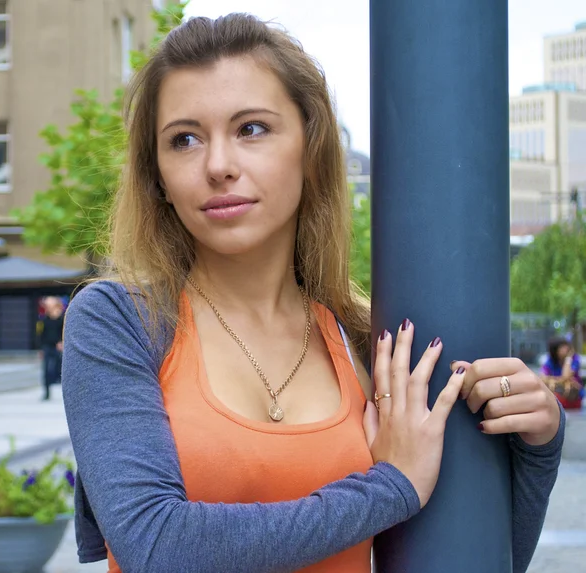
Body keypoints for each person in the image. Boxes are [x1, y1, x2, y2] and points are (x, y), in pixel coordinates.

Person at [62, 14, 564, 573]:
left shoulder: (367, 340)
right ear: (157, 175)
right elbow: (155, 545)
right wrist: (388, 487)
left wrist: (540, 447)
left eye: (251, 128)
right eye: (184, 139)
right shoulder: (120, 321)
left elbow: (480, 561)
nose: (219, 166)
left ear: (310, 145)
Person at [541, 336, 583, 410]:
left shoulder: (574, 359)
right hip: (557, 395)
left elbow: (566, 376)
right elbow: (542, 377)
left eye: (567, 346)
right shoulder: (550, 361)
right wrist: (560, 380)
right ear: (555, 350)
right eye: (562, 347)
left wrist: (568, 359)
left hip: (573, 396)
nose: (566, 349)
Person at [38, 296, 64, 401]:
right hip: (47, 346)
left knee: (60, 367)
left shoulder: (61, 318)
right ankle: (47, 392)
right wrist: (40, 349)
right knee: (46, 369)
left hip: (58, 347)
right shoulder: (44, 319)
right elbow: (41, 334)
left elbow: (63, 332)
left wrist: (62, 342)